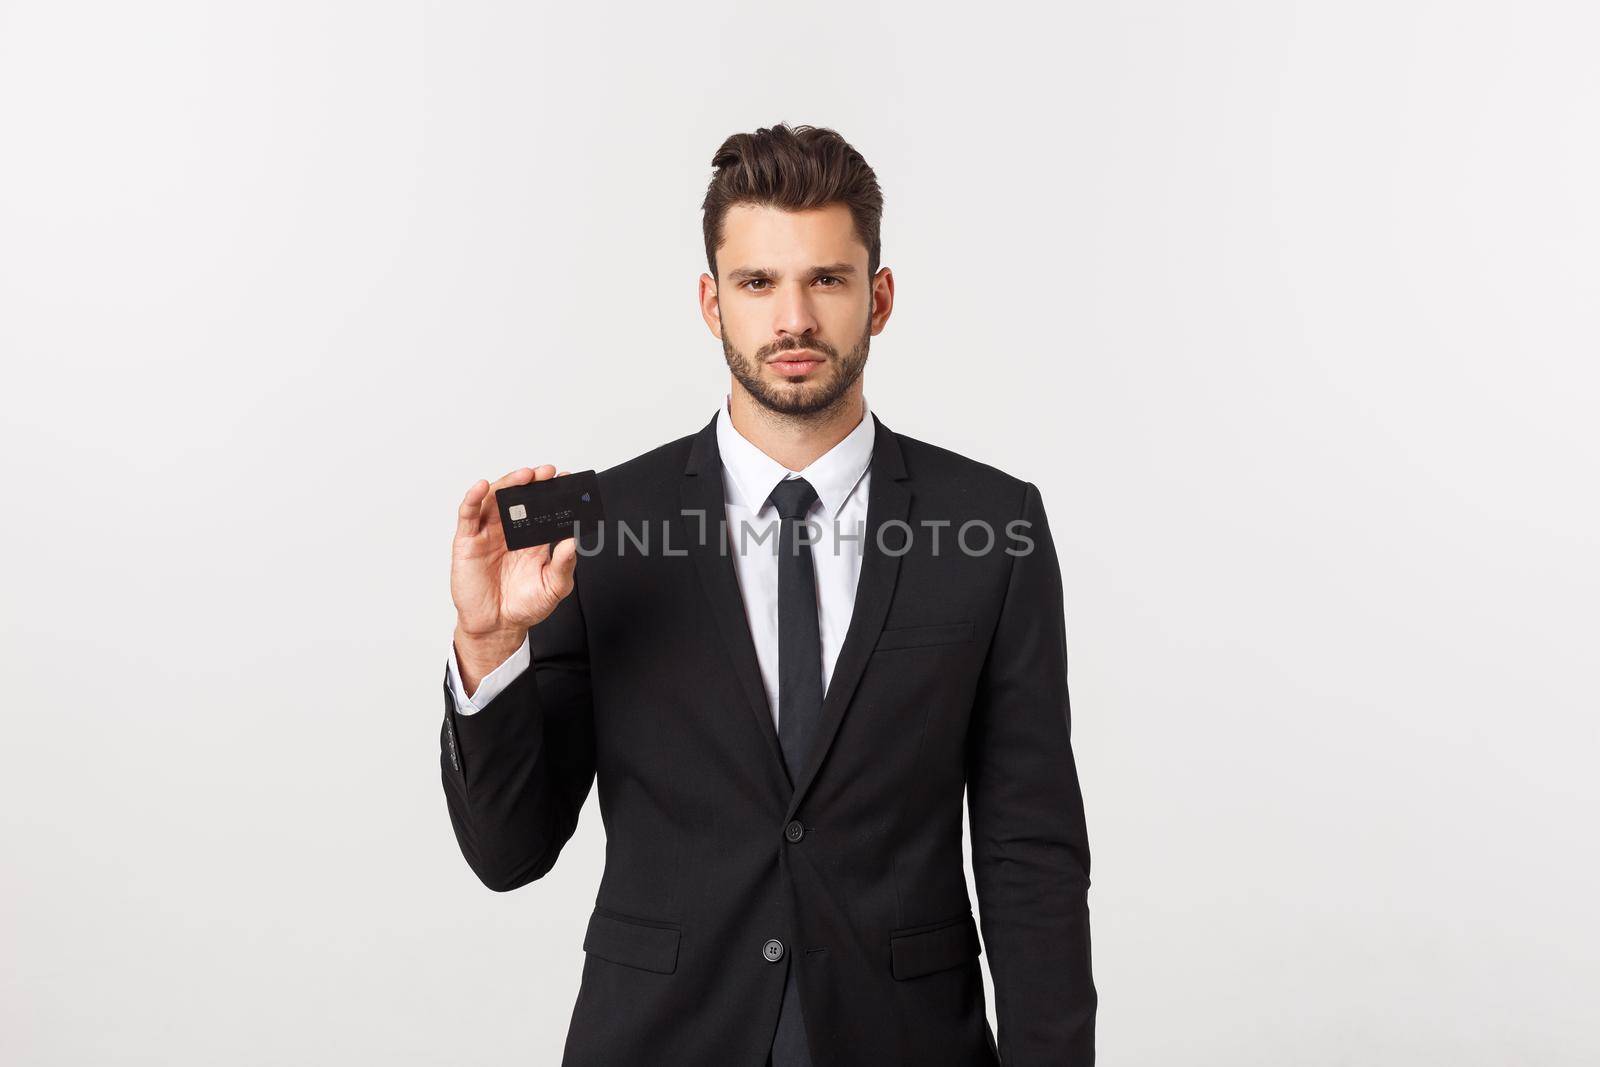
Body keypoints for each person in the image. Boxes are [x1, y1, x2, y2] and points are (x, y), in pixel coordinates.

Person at [440, 122, 1095, 1066]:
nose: (793, 318)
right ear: (712, 302)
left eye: (826, 279)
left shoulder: (994, 525)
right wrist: (489, 641)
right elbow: (511, 852)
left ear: (880, 297)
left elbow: (1030, 855)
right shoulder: (601, 526)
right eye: (758, 283)